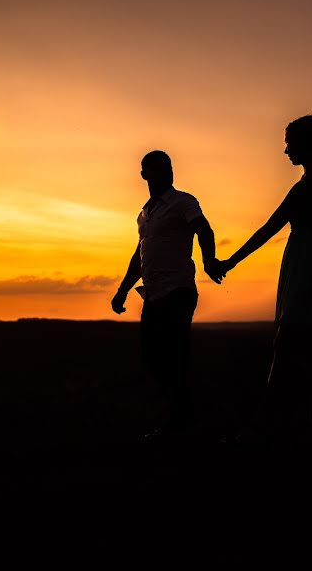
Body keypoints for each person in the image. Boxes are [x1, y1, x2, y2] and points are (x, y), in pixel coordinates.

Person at [217, 115, 312, 440]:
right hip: (301, 267)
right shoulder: (308, 181)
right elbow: (269, 228)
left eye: (289, 142)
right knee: (310, 354)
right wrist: (230, 263)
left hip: (311, 269)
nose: (285, 150)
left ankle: (260, 427)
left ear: (305, 143)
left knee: (286, 347)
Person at [111, 150, 224, 440]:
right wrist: (122, 291)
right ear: (144, 175)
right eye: (159, 168)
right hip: (153, 295)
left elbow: (204, 229)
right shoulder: (144, 215)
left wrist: (209, 261)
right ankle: (182, 416)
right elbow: (139, 256)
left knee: (174, 357)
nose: (167, 173)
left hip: (178, 291)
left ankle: (182, 422)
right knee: (152, 358)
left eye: (169, 168)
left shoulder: (183, 202)